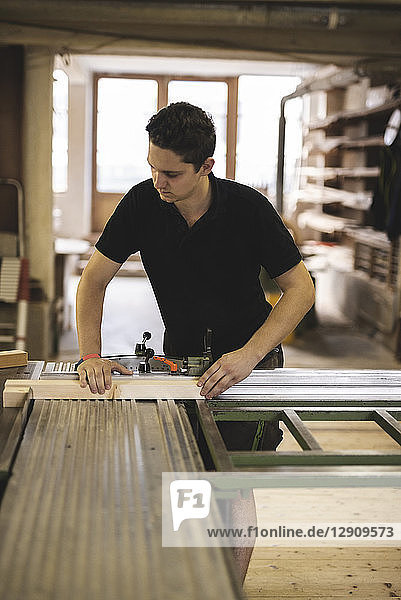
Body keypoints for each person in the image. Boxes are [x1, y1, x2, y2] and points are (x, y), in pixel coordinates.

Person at [76, 101, 315, 581]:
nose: (158, 182)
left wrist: (250, 354)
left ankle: (227, 589)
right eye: (151, 167)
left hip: (250, 363)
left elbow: (301, 290)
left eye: (170, 173)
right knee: (186, 477)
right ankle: (193, 585)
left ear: (206, 166)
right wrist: (90, 355)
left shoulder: (248, 208)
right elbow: (92, 282)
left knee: (231, 484)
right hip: (181, 362)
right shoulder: (143, 203)